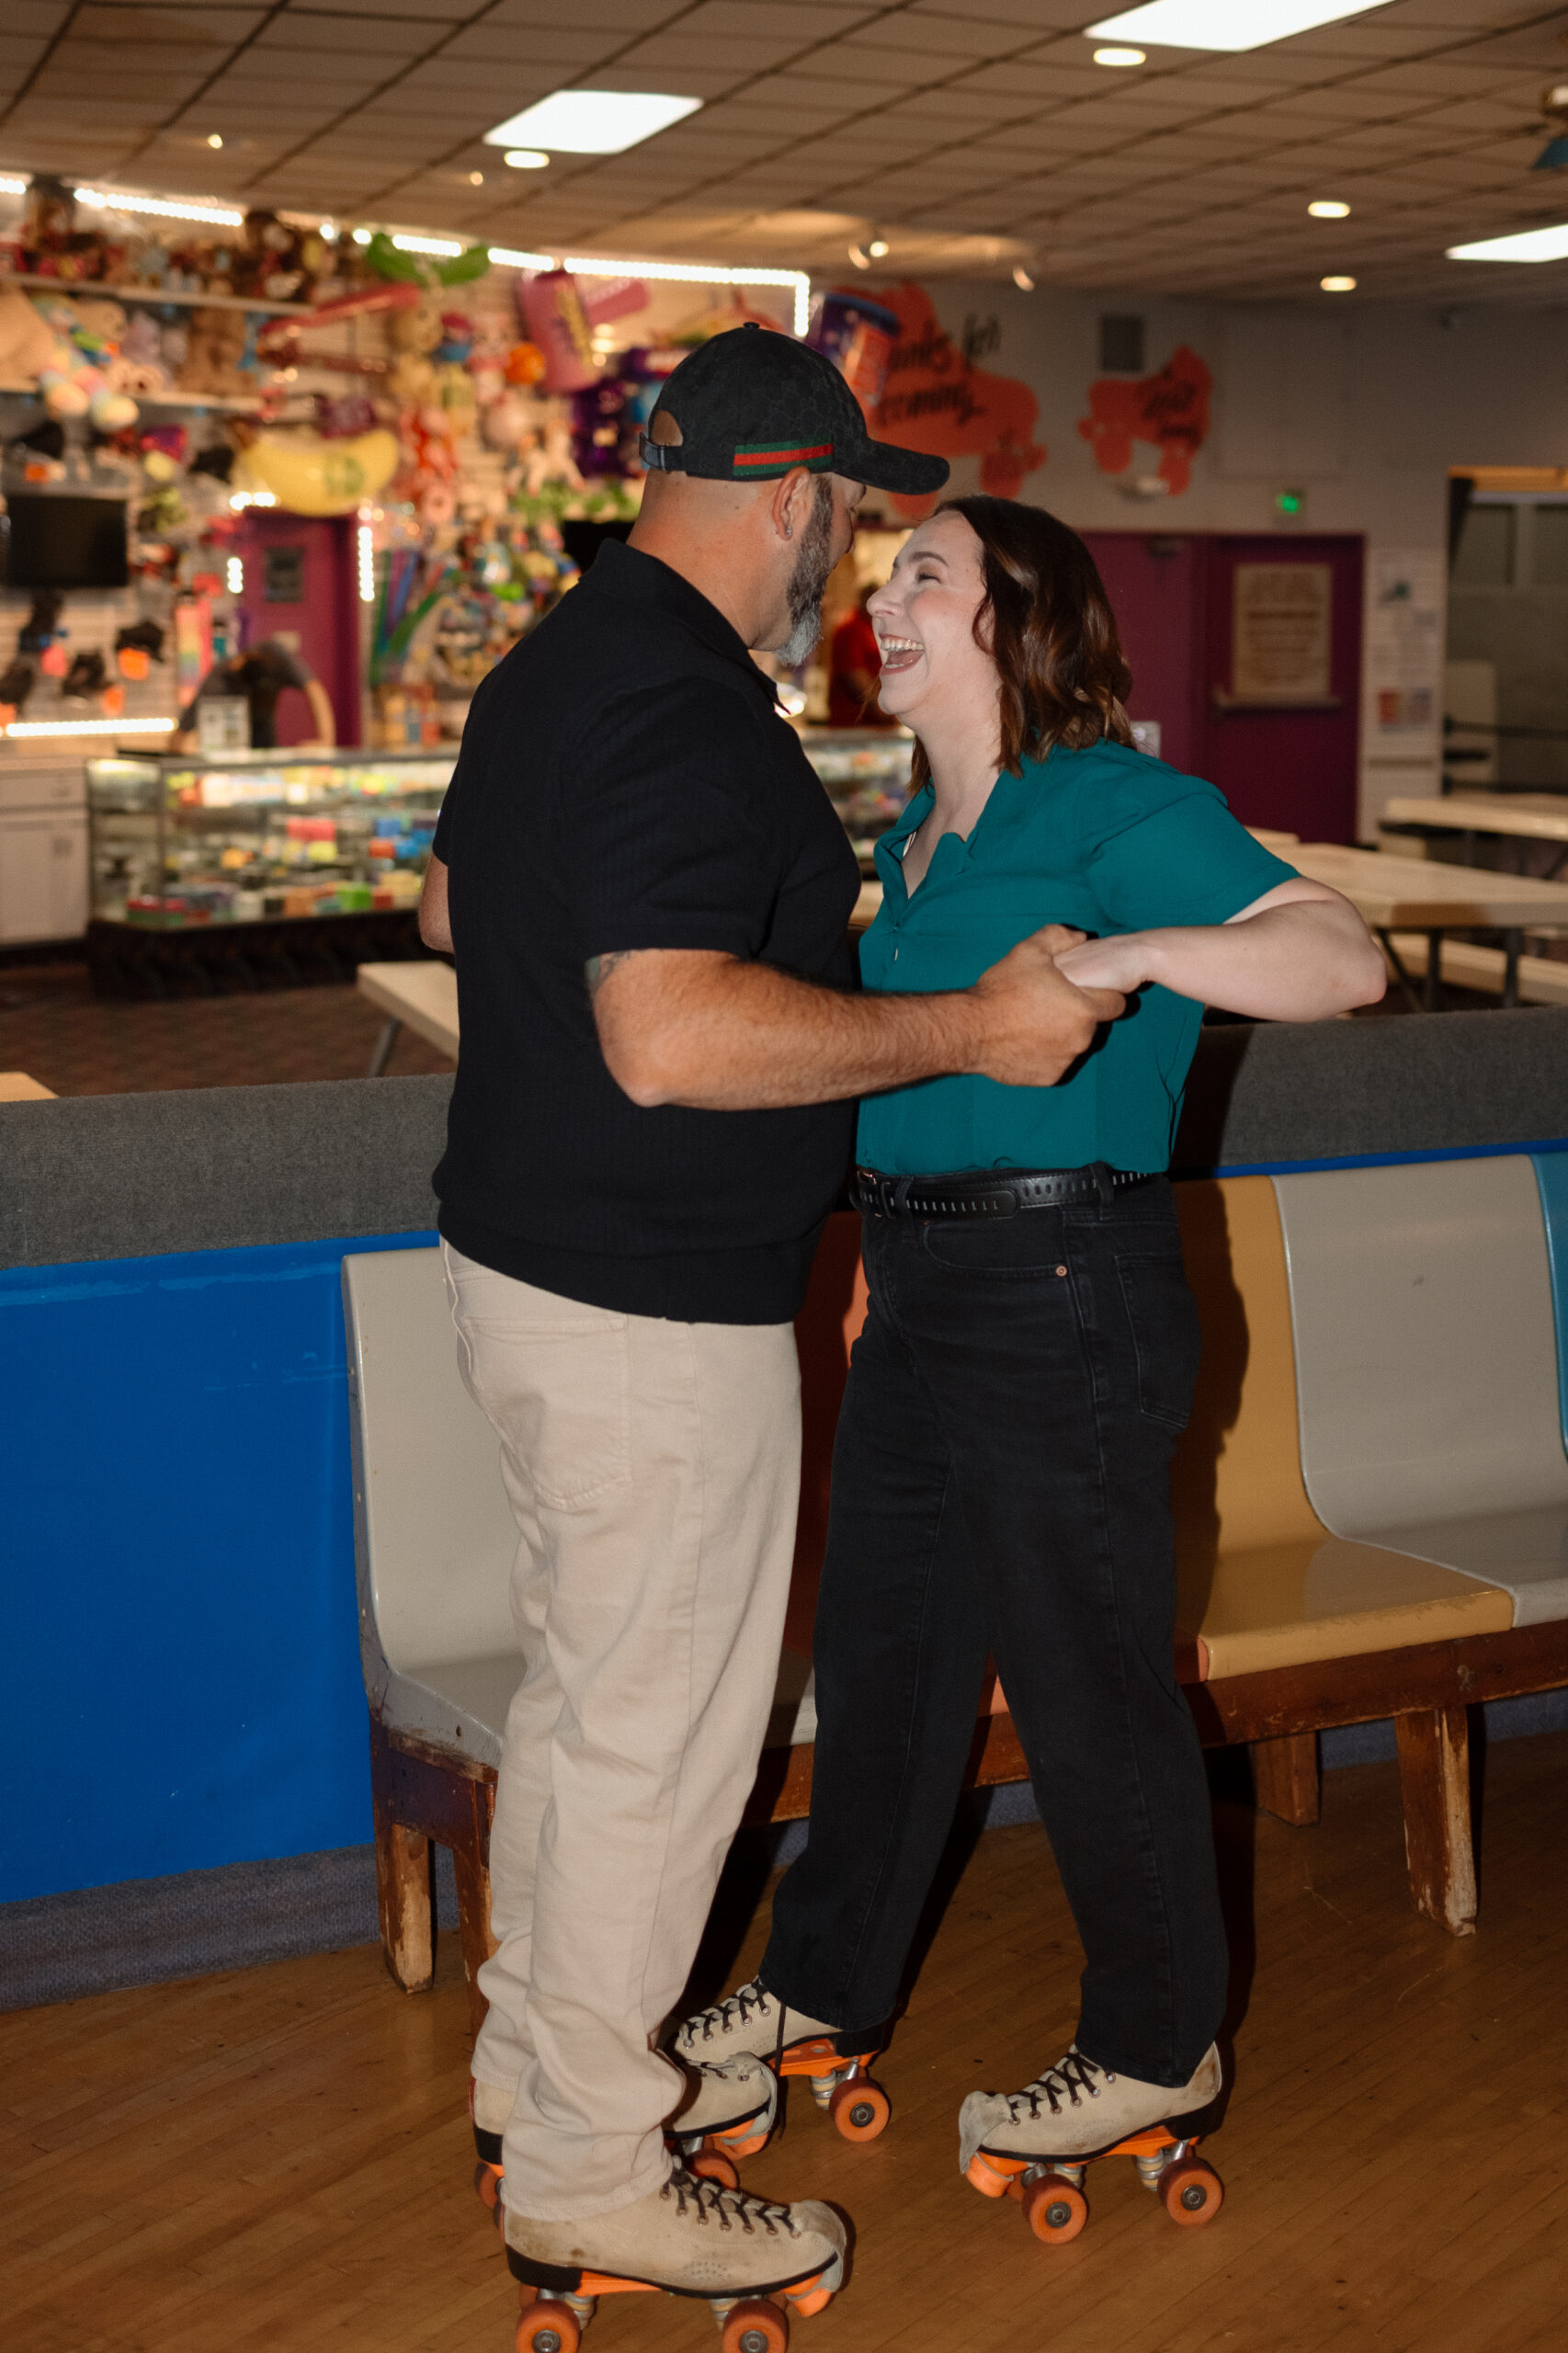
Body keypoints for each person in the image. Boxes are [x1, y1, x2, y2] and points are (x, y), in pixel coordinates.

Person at [415, 338, 1126, 2331]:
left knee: (585, 1723)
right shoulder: (681, 703)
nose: (852, 562)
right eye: (854, 520)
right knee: (654, 1753)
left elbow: (472, 913)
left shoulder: (554, 661)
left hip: (534, 1280)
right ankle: (587, 2172)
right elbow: (668, 1029)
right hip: (647, 1314)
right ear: (800, 495)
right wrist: (972, 1025)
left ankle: (531, 2084)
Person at [673, 497, 1385, 2204]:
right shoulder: (912, 842)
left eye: (923, 571)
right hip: (922, 1290)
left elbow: (1341, 958)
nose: (879, 599)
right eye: (876, 576)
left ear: (1021, 622)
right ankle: (831, 1984)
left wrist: (1124, 957)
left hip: (1066, 1276)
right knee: (890, 1665)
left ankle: (1157, 2045)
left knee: (1084, 1682)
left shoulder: (1109, 809)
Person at [174, 633, 335, 750]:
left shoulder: (277, 658)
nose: (262, 699)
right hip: (229, 748)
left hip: (264, 740)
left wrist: (326, 740)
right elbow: (180, 735)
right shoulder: (221, 677)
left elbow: (314, 689)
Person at [826, 582, 894, 726]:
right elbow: (857, 678)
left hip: (874, 724)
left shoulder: (874, 628)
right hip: (854, 723)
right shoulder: (850, 630)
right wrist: (884, 710)